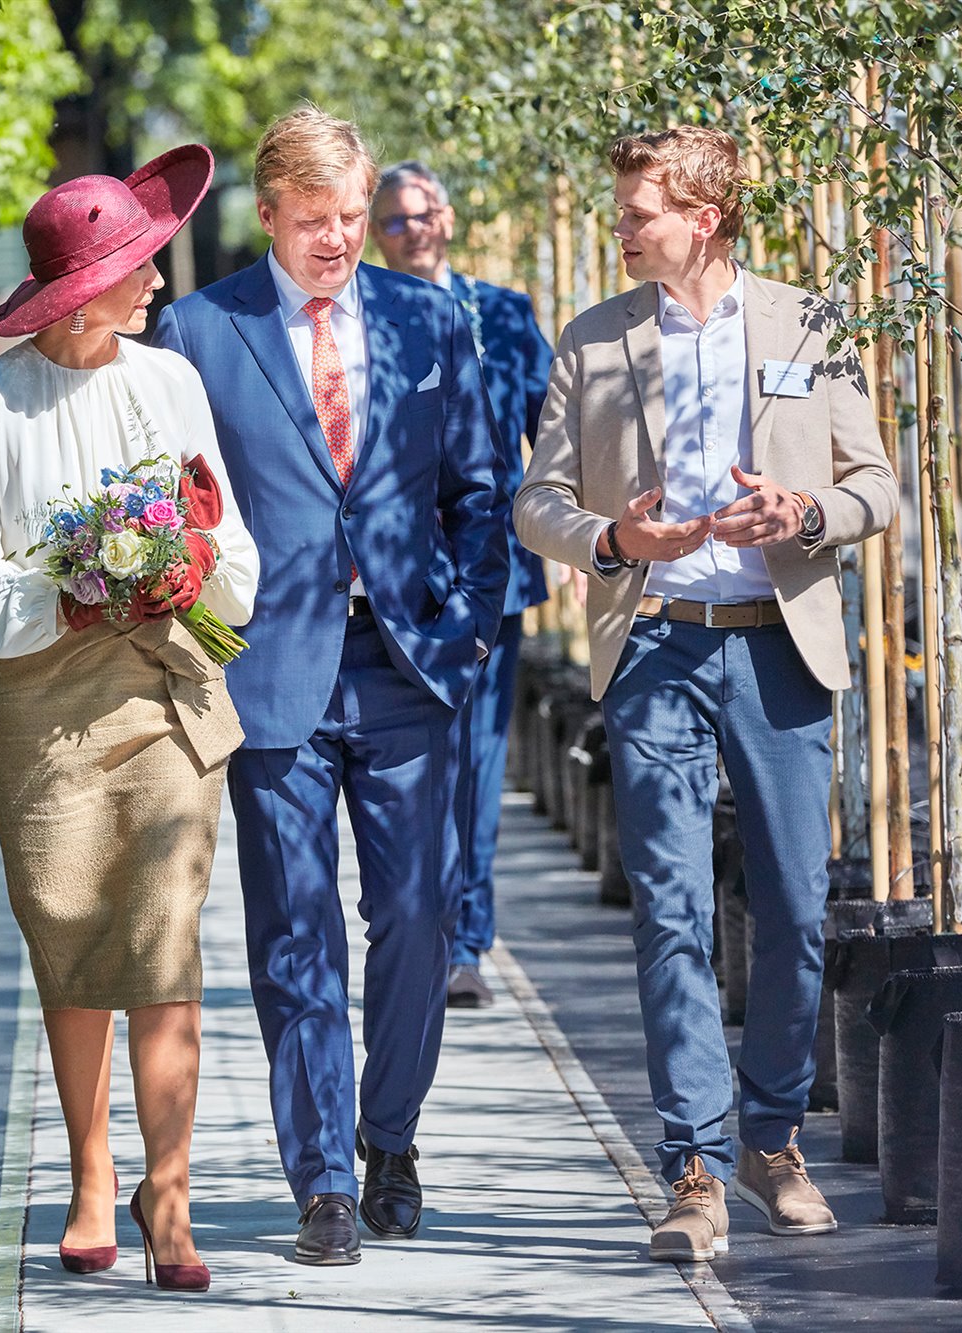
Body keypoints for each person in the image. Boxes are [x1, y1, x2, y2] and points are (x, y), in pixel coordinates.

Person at [514, 125, 895, 1263]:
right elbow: (536, 503)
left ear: (703, 217)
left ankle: (772, 1135)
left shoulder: (806, 324)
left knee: (786, 903)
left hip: (779, 647)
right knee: (671, 909)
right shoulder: (591, 341)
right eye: (622, 208)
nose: (621, 226)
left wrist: (806, 514)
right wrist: (613, 537)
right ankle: (693, 1163)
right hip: (657, 651)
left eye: (638, 210)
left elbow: (875, 484)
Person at [155, 107, 507, 1263]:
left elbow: (477, 491)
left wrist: (461, 637)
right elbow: (175, 511)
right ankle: (320, 1179)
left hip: (409, 665)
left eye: (353, 218)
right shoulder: (202, 331)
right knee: (293, 929)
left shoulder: (426, 316)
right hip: (275, 673)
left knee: (413, 913)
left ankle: (390, 1139)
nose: (339, 240)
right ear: (267, 215)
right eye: (315, 221)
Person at [0, 144, 259, 1294]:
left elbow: (224, 539)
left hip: (164, 685)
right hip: (43, 707)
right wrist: (74, 588)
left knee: (164, 938)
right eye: (136, 265)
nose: (156, 282)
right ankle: (89, 1173)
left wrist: (183, 572)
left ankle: (167, 1200)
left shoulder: (167, 378)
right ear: (83, 285)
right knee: (70, 936)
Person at [369, 160, 552, 1009]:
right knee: (412, 767)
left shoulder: (504, 315)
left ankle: (467, 938)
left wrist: (586, 540)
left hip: (490, 578)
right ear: (377, 233)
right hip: (397, 584)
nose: (415, 230)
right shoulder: (361, 318)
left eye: (425, 213)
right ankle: (418, 923)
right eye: (396, 221)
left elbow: (551, 437)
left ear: (448, 215)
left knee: (478, 762)